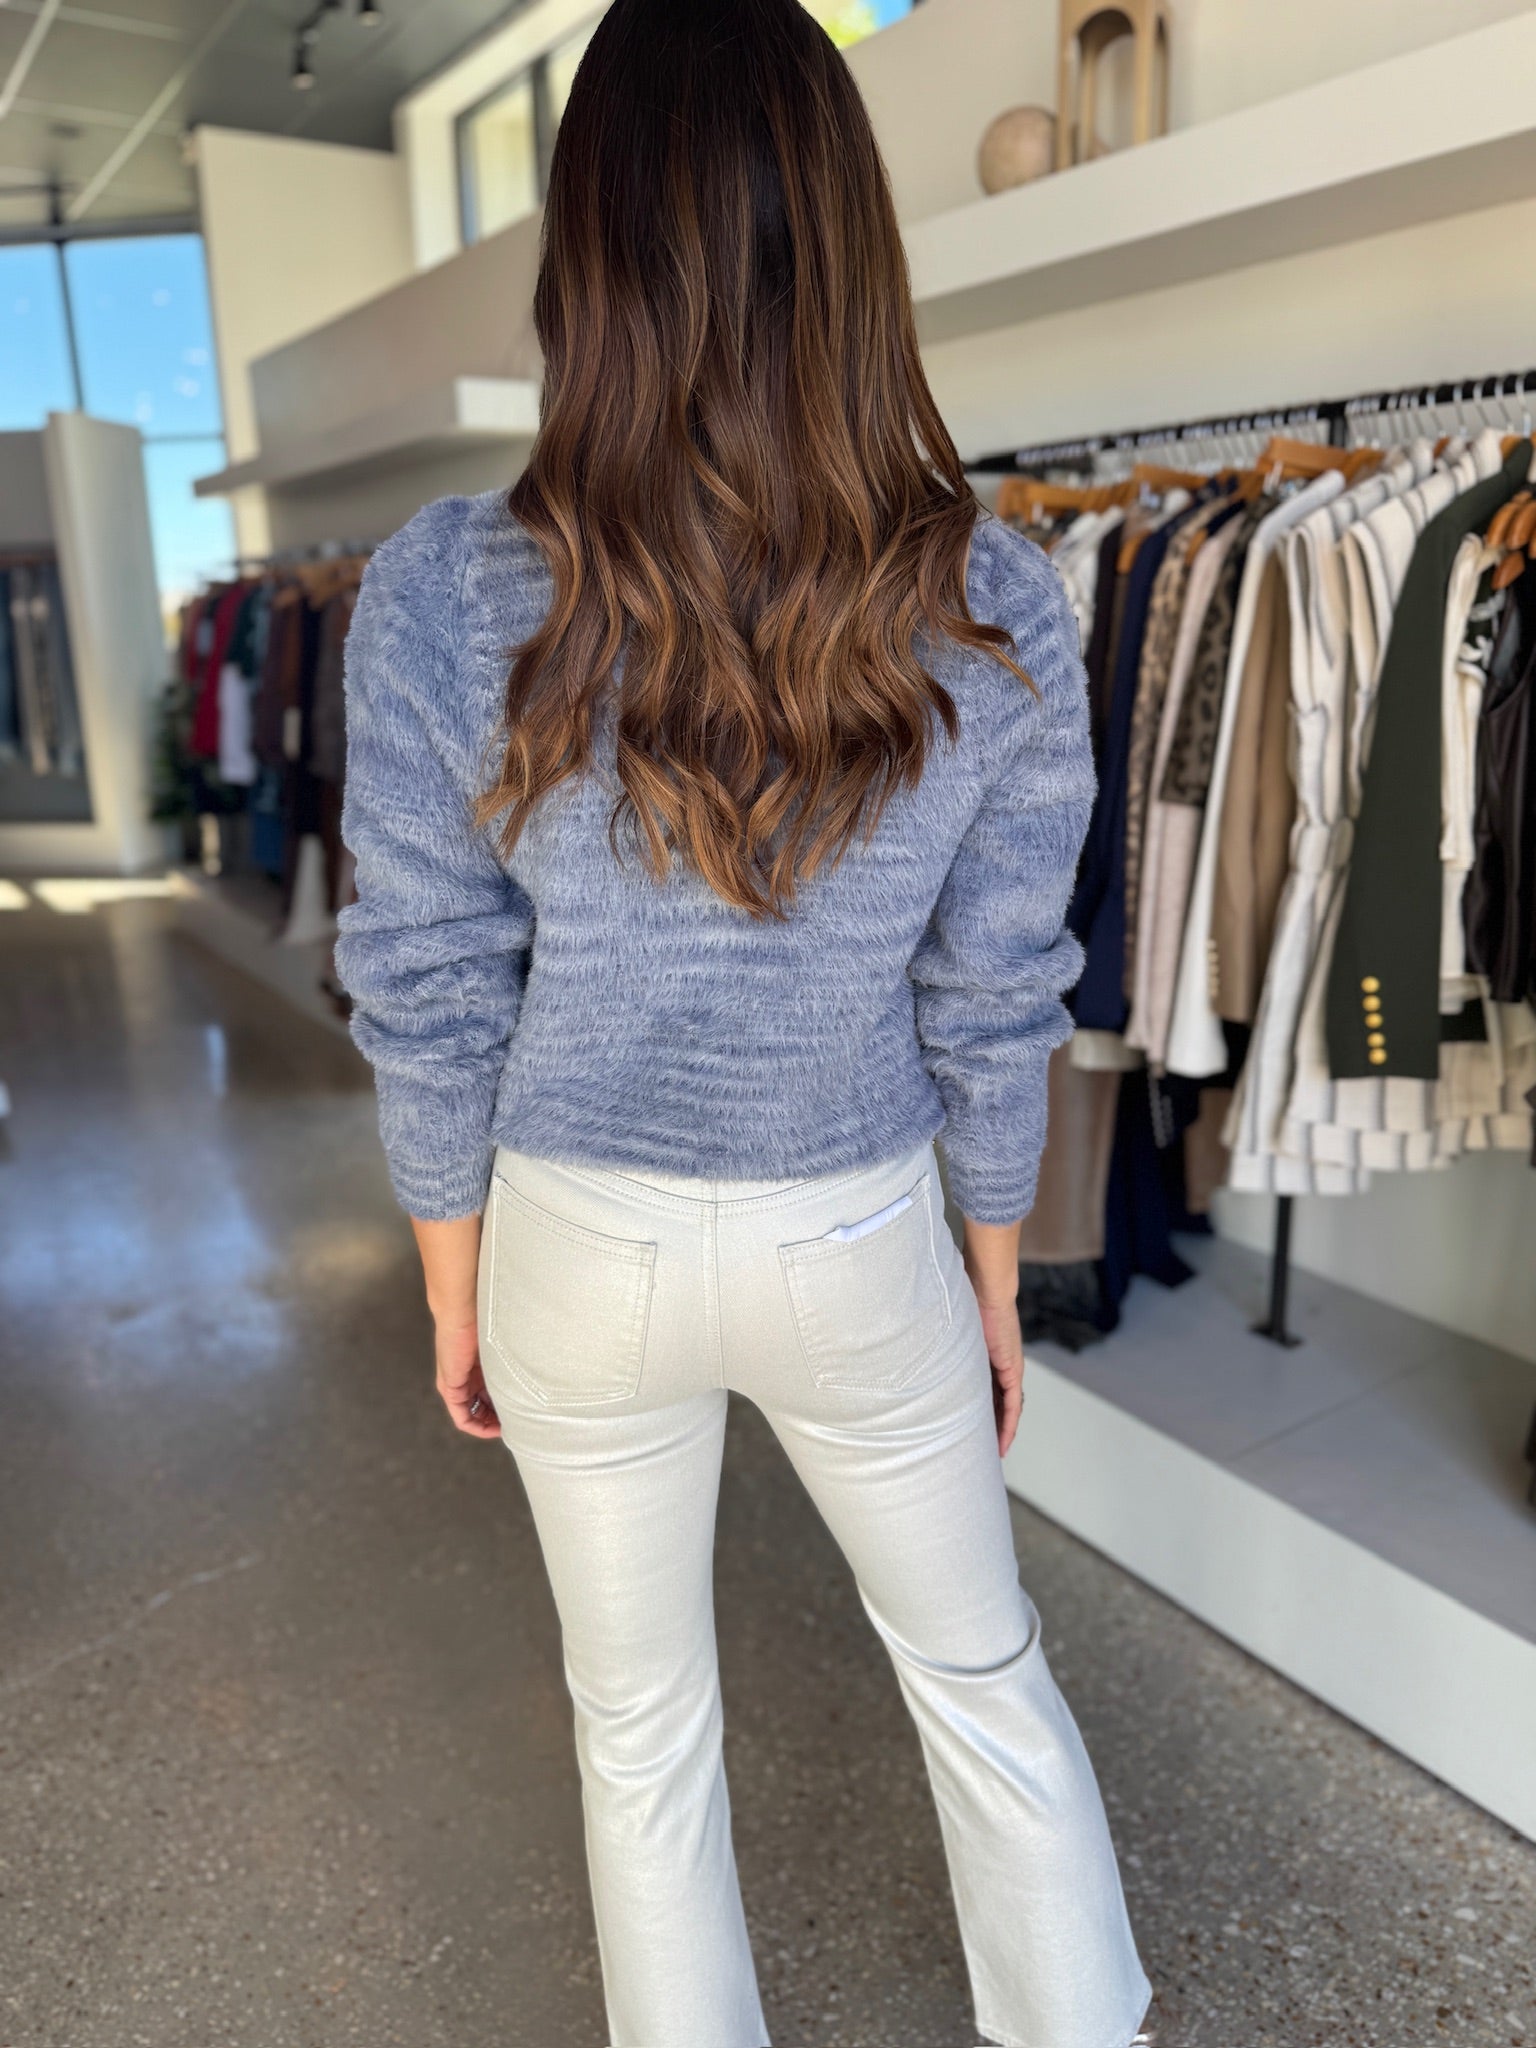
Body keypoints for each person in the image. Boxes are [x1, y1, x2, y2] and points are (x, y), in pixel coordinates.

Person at [334, 1, 1153, 2041]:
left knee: (639, 1730)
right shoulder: (992, 596)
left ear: (587, 254)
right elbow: (995, 987)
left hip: (571, 1233)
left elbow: (425, 972)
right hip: (854, 1220)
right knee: (980, 1676)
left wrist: (454, 1276)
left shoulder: (443, 588)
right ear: (853, 242)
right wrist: (990, 1269)